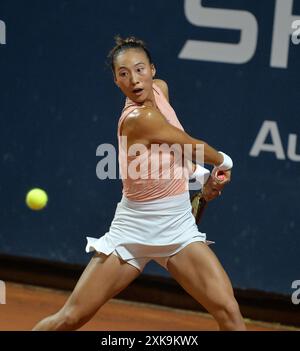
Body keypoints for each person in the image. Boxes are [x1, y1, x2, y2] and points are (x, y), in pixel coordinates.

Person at [32, 36, 246, 331]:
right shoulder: (138, 119)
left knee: (229, 310)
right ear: (116, 81)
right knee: (71, 317)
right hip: (133, 229)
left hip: (178, 227)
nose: (134, 79)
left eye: (140, 69)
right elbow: (190, 145)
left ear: (153, 70)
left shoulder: (160, 91)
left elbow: (172, 153)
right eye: (123, 74)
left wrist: (201, 179)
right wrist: (224, 162)